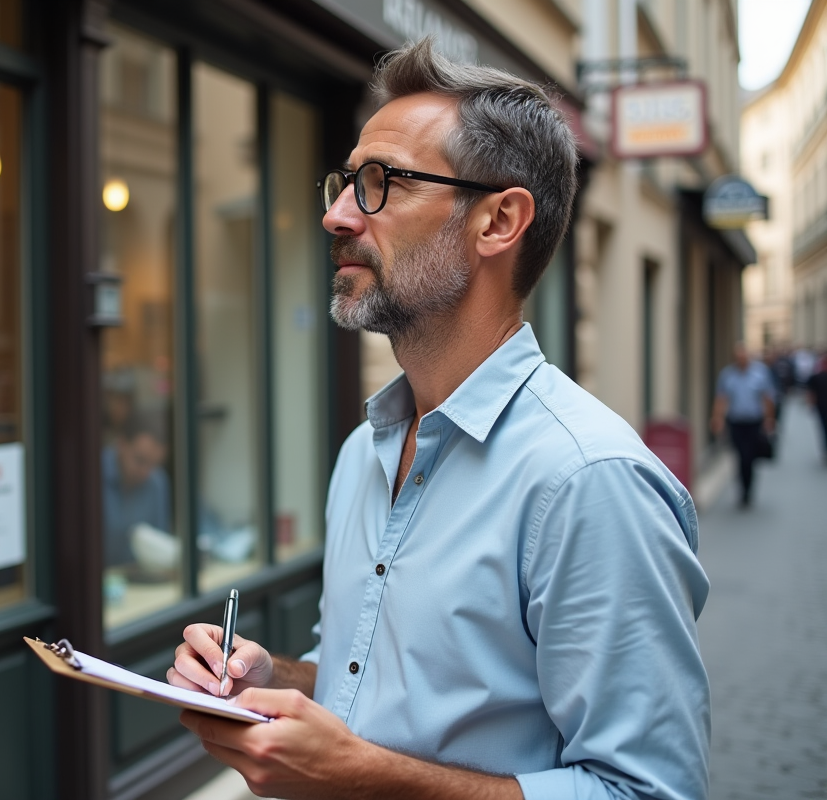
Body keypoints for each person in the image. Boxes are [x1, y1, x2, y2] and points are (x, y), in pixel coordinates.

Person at [168, 38, 710, 800]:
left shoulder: (589, 481)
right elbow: (367, 679)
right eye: (345, 182)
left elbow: (649, 791)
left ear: (497, 222)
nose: (335, 214)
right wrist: (270, 677)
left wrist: (365, 776)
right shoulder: (366, 450)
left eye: (379, 183)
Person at [711, 342, 776, 508]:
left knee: (749, 457)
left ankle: (748, 489)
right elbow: (722, 398)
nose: (741, 360)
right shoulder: (728, 375)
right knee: (740, 456)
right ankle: (743, 489)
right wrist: (718, 418)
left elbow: (767, 397)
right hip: (736, 422)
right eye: (738, 358)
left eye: (744, 357)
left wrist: (769, 419)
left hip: (754, 422)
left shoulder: (760, 373)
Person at [102, 411, 171, 567]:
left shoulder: (157, 482)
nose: (146, 473)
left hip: (140, 584)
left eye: (153, 465)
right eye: (140, 461)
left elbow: (158, 543)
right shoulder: (91, 477)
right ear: (121, 444)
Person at [806, 354, 827, 461]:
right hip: (822, 406)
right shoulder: (816, 377)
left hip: (821, 407)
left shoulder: (815, 377)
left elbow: (811, 394)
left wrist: (811, 405)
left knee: (824, 429)